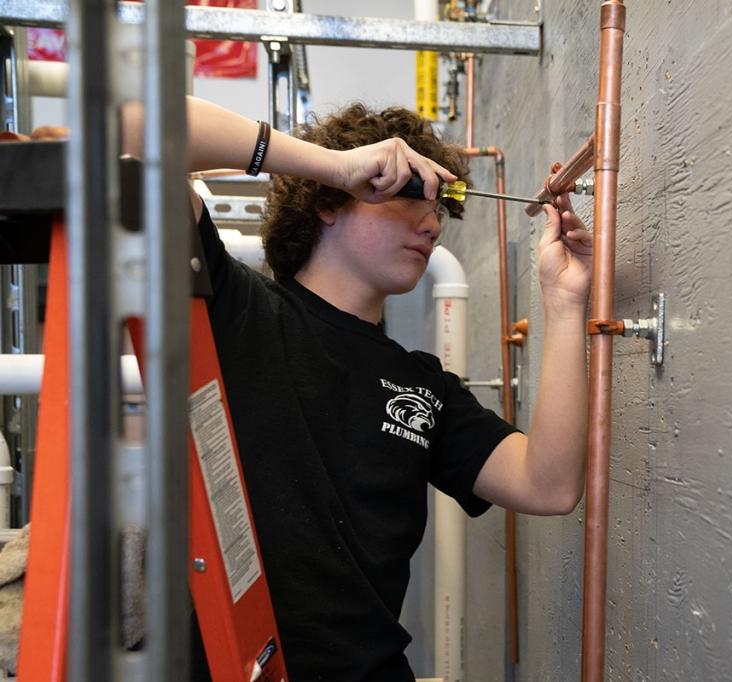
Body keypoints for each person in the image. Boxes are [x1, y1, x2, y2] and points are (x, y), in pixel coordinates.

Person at [125, 96, 593, 680]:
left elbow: (548, 484)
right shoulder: (236, 308)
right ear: (329, 202)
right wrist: (328, 164)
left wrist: (566, 303)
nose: (432, 223)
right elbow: (135, 123)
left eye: (440, 208)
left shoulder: (424, 388)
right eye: (407, 195)